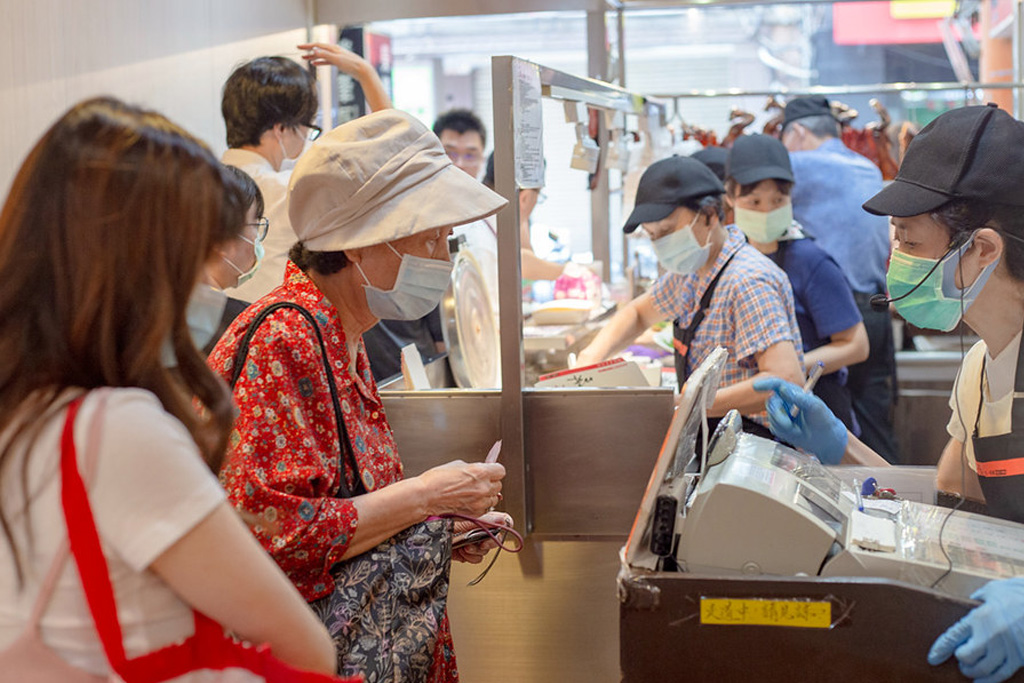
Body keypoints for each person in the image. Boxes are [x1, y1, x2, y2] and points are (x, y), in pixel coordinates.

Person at [0, 97, 336, 677]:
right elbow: (305, 649)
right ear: (139, 264)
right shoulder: (117, 429)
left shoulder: (25, 408)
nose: (208, 279)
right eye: (197, 252)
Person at [207, 109, 511, 681]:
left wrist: (435, 529)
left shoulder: (341, 334)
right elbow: (275, 537)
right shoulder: (283, 339)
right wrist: (424, 498)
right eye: (429, 237)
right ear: (356, 245)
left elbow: (341, 511)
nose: (441, 259)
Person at [755, 104, 1024, 682]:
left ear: (982, 249)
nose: (893, 260)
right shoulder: (980, 368)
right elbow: (950, 509)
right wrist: (841, 451)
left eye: (907, 240)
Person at [575, 156, 804, 435]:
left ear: (708, 215)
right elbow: (637, 314)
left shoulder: (747, 281)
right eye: (652, 235)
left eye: (668, 231)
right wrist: (589, 360)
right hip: (717, 435)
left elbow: (785, 378)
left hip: (758, 446)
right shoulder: (692, 273)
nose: (661, 243)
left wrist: (687, 404)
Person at [220, 45, 390, 304]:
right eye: (309, 124)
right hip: (274, 329)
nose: (308, 137)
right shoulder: (293, 190)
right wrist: (365, 73)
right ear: (281, 129)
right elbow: (394, 153)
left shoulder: (205, 182)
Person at [781, 95, 899, 461]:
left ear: (798, 131)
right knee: (876, 426)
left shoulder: (794, 165)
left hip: (833, 320)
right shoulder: (866, 167)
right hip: (877, 312)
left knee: (833, 436)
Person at [725, 134, 868, 431]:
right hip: (760, 421)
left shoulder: (810, 262)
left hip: (817, 416)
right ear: (730, 198)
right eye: (754, 201)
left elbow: (856, 345)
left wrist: (788, 367)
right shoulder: (732, 256)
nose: (766, 211)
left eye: (778, 200)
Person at [192, 164, 268, 356]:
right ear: (222, 237)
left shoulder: (151, 308)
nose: (257, 240)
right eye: (256, 225)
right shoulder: (245, 323)